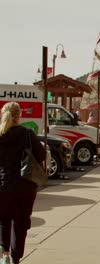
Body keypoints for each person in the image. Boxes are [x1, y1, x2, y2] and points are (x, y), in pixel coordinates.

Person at [0, 102, 46, 264]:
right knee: (20, 224)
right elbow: (41, 155)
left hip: (3, 186)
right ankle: (15, 258)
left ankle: (4, 253)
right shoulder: (27, 134)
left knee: (3, 220)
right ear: (20, 116)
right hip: (25, 186)